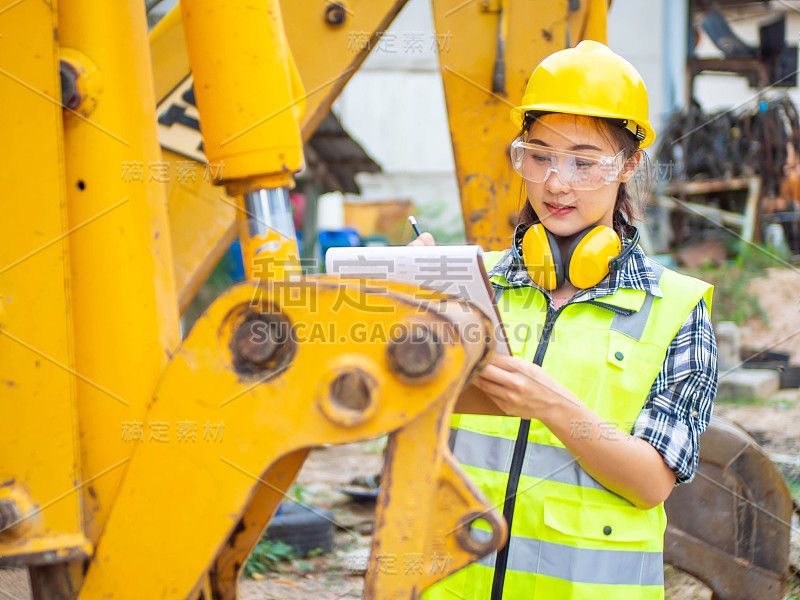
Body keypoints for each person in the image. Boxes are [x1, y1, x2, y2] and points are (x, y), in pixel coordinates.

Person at [415, 41, 718, 600]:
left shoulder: (675, 308)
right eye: (539, 155)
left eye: (584, 162)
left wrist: (550, 407)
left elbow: (652, 482)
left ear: (628, 167)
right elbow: (402, 423)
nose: (557, 182)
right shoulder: (472, 286)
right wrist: (414, 315)